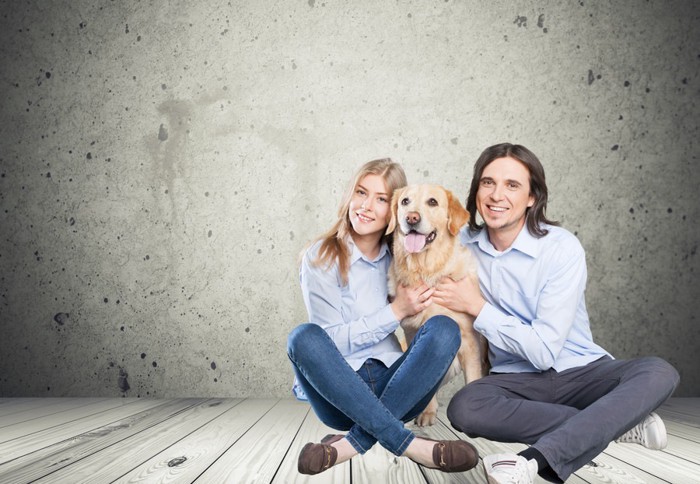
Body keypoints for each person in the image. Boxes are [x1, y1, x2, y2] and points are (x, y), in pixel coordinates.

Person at [433, 143, 680, 483]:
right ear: (476, 191)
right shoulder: (458, 245)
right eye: (487, 183)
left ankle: (530, 463)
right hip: (514, 381)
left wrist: (477, 306)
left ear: (532, 198)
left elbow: (543, 350)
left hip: (582, 371)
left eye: (512, 185)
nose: (496, 195)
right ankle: (614, 422)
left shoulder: (561, 248)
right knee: (464, 408)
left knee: (659, 372)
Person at [287, 158, 479, 475]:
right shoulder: (321, 256)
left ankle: (349, 445)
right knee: (302, 338)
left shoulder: (405, 253)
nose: (366, 206)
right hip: (340, 393)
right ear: (349, 194)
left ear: (393, 211)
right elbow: (328, 342)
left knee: (444, 328)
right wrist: (396, 311)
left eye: (380, 199)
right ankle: (413, 446)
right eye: (361, 192)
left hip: (401, 386)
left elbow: (451, 239)